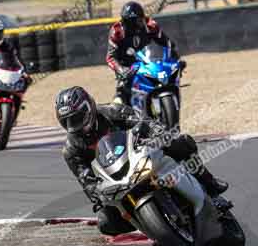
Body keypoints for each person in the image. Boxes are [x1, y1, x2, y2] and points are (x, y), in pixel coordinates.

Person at [55, 86, 228, 236]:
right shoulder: (71, 150)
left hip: (139, 153)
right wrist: (97, 196)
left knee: (179, 142)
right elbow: (85, 179)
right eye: (67, 121)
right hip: (115, 179)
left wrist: (156, 133)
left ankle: (210, 184)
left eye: (77, 117)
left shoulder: (112, 111)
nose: (74, 124)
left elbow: (144, 121)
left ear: (89, 107)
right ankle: (152, 226)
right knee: (105, 221)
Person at [106, 1, 184, 105]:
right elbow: (110, 57)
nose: (138, 23)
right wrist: (122, 70)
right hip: (126, 65)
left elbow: (167, 43)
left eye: (139, 19)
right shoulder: (117, 31)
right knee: (121, 93)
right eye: (134, 21)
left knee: (165, 78)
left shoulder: (150, 25)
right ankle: (119, 106)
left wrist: (176, 60)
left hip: (147, 60)